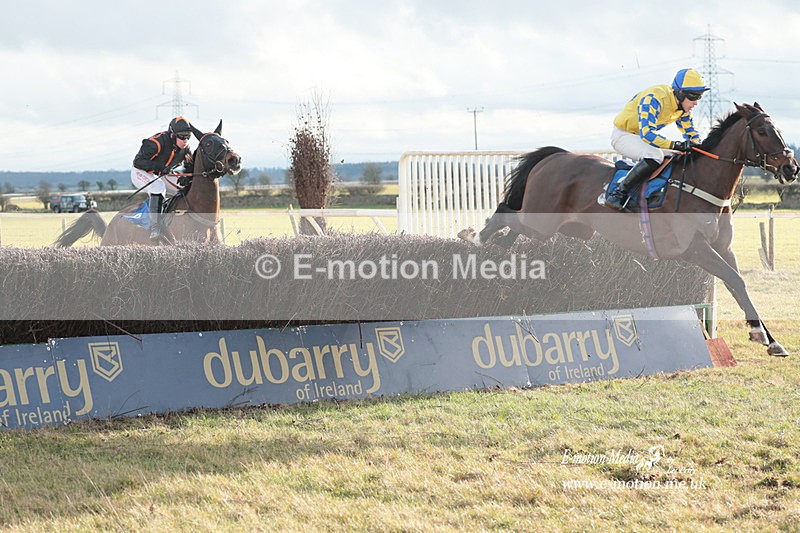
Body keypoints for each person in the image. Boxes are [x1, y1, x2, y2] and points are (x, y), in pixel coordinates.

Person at [605, 68, 710, 211]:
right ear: (680, 93)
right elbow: (647, 133)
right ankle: (618, 194)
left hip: (640, 138)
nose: (696, 102)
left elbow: (691, 133)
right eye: (693, 97)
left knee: (678, 156)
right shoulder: (654, 97)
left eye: (699, 97)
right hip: (624, 135)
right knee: (655, 155)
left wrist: (699, 148)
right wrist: (676, 144)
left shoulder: (682, 109)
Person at [132, 116, 195, 239]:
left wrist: (185, 178)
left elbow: (189, 167)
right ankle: (155, 229)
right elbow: (138, 162)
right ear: (172, 135)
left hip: (162, 174)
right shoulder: (156, 143)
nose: (185, 140)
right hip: (141, 172)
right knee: (158, 186)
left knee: (182, 189)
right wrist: (160, 167)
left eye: (188, 136)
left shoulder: (186, 149)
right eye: (182, 136)